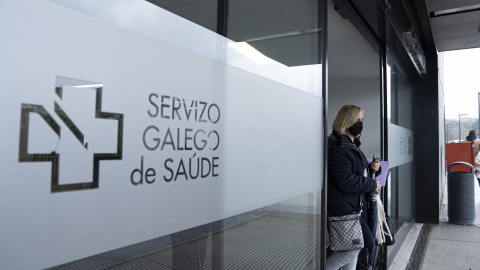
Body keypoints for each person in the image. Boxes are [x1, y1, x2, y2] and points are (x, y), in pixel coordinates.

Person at [326, 105, 381, 270]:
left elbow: (354, 173)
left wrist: (371, 168)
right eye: (357, 120)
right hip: (344, 210)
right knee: (348, 252)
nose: (360, 124)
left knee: (354, 251)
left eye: (362, 120)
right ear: (346, 121)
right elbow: (345, 180)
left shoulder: (351, 145)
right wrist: (372, 184)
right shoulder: (339, 147)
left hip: (354, 207)